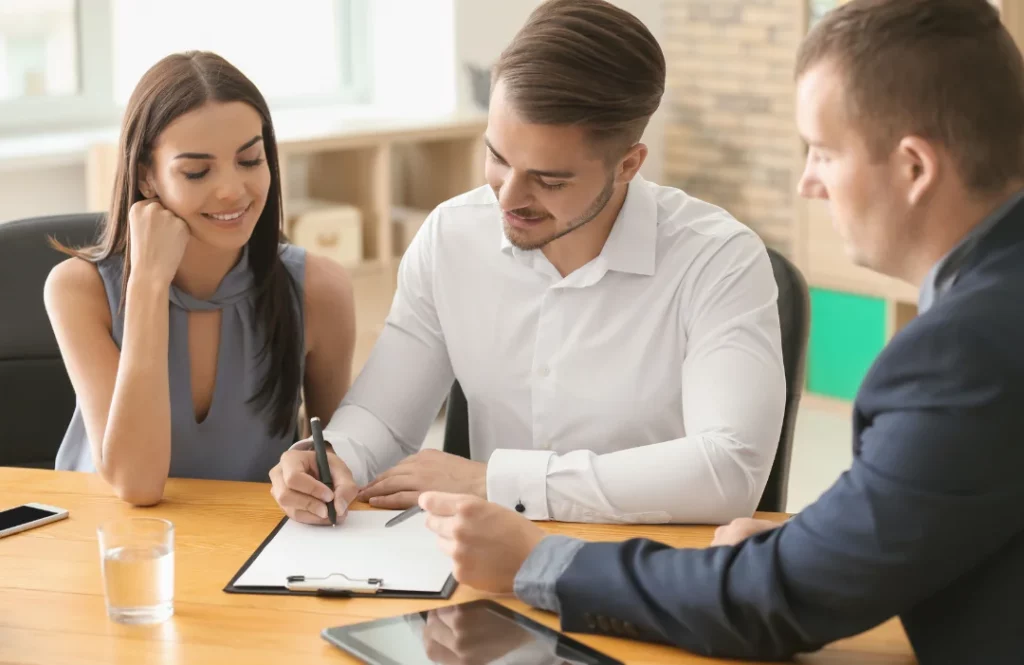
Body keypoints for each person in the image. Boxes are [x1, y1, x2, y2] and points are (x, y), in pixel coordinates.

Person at [416, 0, 1024, 662]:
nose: (807, 183)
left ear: (914, 167)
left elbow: (783, 599)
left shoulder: (966, 352)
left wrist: (541, 559)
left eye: (822, 151)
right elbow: (888, 520)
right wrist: (783, 555)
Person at [269, 0, 785, 526]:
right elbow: (384, 414)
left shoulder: (720, 259)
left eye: (549, 180)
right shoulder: (451, 237)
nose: (508, 198)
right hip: (484, 563)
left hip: (651, 568)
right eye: (497, 157)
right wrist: (333, 456)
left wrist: (495, 483)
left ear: (628, 164)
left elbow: (729, 471)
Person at [45, 52, 355, 506]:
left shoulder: (317, 289)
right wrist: (148, 285)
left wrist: (324, 470)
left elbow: (342, 462)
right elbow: (137, 485)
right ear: (146, 176)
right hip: (111, 548)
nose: (232, 189)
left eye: (250, 160)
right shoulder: (78, 291)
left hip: (250, 546)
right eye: (197, 171)